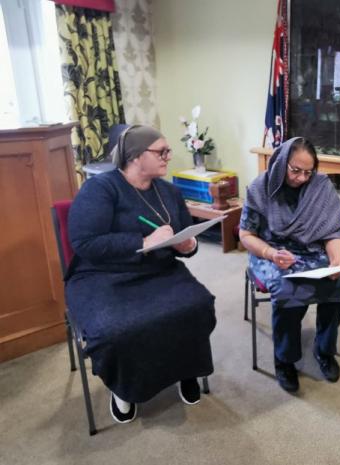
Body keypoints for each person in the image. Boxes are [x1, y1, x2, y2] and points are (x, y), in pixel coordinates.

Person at [65, 125, 217, 424]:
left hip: (157, 269)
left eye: (168, 151)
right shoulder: (101, 188)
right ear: (135, 156)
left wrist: (188, 245)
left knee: (196, 305)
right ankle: (124, 388)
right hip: (103, 275)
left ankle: (186, 369)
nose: (168, 157)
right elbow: (84, 242)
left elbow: (183, 235)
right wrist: (143, 242)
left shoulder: (170, 191)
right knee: (116, 330)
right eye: (161, 152)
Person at [239, 137, 340, 393]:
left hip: (309, 250)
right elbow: (246, 235)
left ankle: (324, 350)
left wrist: (336, 259)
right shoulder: (260, 187)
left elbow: (333, 230)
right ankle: (285, 359)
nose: (302, 178)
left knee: (339, 282)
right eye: (295, 170)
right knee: (288, 289)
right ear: (281, 163)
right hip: (269, 251)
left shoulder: (320, 186)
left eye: (308, 172)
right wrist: (270, 252)